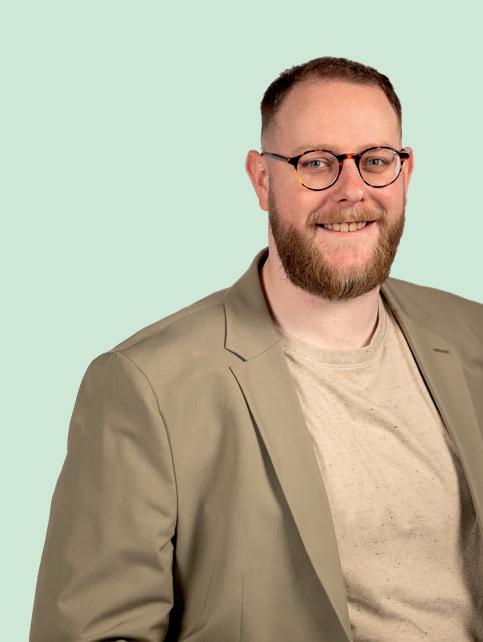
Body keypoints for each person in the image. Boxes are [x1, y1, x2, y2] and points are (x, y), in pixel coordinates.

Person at [30, 56, 483, 642]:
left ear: (406, 172)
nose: (352, 191)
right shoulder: (146, 387)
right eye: (315, 163)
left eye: (375, 161)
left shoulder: (472, 336)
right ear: (262, 179)